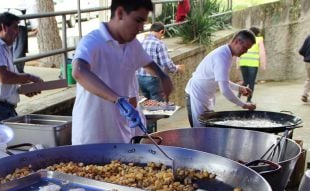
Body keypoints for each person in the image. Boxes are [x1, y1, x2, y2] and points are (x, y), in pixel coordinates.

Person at [71, 0, 173, 145]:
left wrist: (163, 77)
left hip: (120, 133)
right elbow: (79, 71)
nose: (141, 28)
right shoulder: (92, 42)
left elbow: (148, 63)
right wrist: (117, 99)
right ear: (120, 13)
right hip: (91, 135)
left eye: (143, 22)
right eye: (137, 20)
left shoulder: (133, 44)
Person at [0, 12, 42, 124]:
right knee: (5, 140)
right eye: (15, 28)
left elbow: (4, 81)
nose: (18, 32)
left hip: (2, 107)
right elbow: (4, 77)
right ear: (3, 27)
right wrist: (30, 77)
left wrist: (22, 89)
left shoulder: (2, 47)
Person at [185, 29, 257, 127]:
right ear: (237, 42)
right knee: (200, 133)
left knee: (207, 130)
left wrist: (239, 88)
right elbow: (224, 90)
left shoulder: (227, 54)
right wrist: (244, 105)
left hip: (204, 96)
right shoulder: (221, 56)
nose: (246, 51)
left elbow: (221, 79)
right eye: (245, 48)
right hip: (196, 95)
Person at [137, 22, 184, 103]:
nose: (162, 37)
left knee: (145, 106)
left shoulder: (142, 42)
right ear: (161, 31)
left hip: (139, 78)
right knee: (157, 107)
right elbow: (166, 63)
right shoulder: (159, 44)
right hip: (153, 80)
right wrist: (176, 68)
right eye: (162, 35)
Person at [238, 26, 267, 103]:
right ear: (257, 33)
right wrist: (263, 64)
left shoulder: (244, 39)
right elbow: (262, 52)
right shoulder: (259, 40)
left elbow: (239, 50)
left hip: (243, 63)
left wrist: (238, 63)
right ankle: (249, 100)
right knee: (251, 82)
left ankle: (238, 96)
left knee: (245, 81)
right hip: (253, 64)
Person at [299, 34, 310, 102]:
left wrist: (307, 56)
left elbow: (301, 51)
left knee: (309, 78)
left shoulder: (309, 37)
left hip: (308, 61)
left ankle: (304, 95)